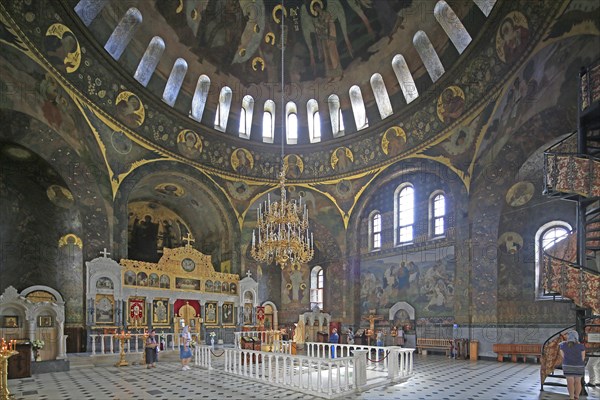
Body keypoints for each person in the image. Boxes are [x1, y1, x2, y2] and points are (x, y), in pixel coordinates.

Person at [559, 330, 586, 400]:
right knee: (578, 381)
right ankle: (577, 396)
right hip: (579, 365)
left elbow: (562, 356)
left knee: (570, 382)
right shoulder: (581, 346)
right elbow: (583, 357)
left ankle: (571, 397)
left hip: (567, 365)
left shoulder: (563, 345)